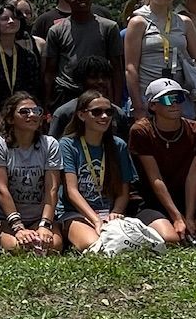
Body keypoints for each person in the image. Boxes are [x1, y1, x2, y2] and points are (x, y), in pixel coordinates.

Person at [129, 77, 196, 245]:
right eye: (167, 99)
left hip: (185, 199)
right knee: (170, 238)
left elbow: (193, 175)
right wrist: (177, 217)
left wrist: (188, 216)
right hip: (150, 201)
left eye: (178, 98)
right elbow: (155, 178)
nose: (174, 104)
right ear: (152, 106)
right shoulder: (141, 131)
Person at [58, 91, 140, 250]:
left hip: (109, 212)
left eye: (109, 112)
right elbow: (71, 191)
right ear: (81, 115)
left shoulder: (118, 145)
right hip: (75, 213)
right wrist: (96, 220)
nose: (104, 116)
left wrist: (116, 212)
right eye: (96, 112)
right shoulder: (68, 144)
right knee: (94, 244)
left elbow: (124, 191)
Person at [0, 92, 62, 254]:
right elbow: (1, 189)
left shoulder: (50, 144)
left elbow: (52, 189)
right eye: (24, 112)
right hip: (7, 217)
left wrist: (45, 225)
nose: (32, 115)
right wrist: (18, 227)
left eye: (37, 111)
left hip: (39, 216)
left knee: (54, 246)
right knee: (16, 247)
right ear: (10, 118)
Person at [124, 0, 196, 111]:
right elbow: (130, 68)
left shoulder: (184, 22)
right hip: (149, 98)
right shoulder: (138, 22)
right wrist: (138, 107)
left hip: (180, 96)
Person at [43, 0, 125, 111]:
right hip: (66, 93)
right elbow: (50, 71)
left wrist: (115, 103)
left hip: (98, 94)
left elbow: (117, 69)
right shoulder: (56, 30)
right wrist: (47, 104)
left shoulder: (109, 27)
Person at [0, 2, 43, 110]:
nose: (11, 21)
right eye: (5, 19)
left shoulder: (28, 56)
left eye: (14, 18)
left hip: (23, 112)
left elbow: (34, 89)